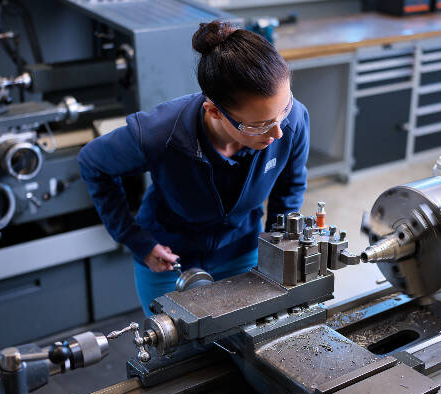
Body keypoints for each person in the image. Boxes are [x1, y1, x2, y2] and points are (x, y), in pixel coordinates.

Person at [78, 21, 310, 316]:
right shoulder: (159, 134)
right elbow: (93, 163)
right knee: (176, 354)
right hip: (169, 260)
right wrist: (136, 240)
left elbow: (290, 187)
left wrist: (277, 251)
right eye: (259, 124)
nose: (278, 132)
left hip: (243, 252)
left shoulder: (293, 120)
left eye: (284, 108)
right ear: (213, 110)